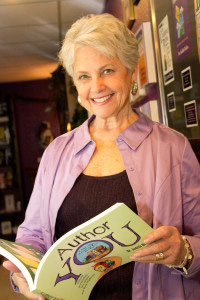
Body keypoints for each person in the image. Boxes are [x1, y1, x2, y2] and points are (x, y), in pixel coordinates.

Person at [3, 13, 200, 300]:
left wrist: (184, 251)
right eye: (84, 76)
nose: (96, 86)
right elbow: (33, 235)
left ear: (131, 70)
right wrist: (24, 274)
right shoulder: (56, 152)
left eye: (107, 70)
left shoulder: (174, 148)